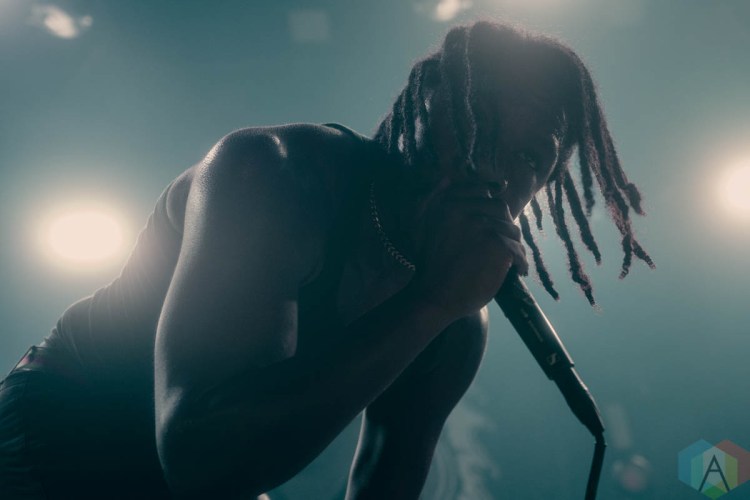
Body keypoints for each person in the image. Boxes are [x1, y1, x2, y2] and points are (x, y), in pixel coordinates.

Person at [0, 20, 654, 499]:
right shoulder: (272, 175)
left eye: (530, 158)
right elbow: (199, 462)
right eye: (476, 121)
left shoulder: (456, 326)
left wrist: (437, 308)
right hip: (61, 425)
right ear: (423, 106)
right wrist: (428, 304)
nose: (493, 170)